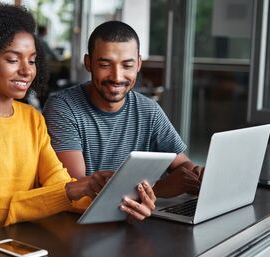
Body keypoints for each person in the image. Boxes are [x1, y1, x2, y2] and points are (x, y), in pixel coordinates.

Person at [0, 5, 155, 253]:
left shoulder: (32, 118)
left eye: (31, 60)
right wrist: (71, 189)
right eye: (12, 59)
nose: (26, 70)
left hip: (13, 246)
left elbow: (59, 185)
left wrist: (122, 206)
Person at [43, 21, 203, 199]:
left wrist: (196, 174)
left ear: (139, 64)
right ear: (88, 63)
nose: (117, 77)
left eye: (127, 65)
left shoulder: (148, 110)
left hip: (135, 218)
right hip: (78, 222)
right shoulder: (63, 107)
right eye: (105, 65)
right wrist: (157, 190)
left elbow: (181, 164)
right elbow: (77, 189)